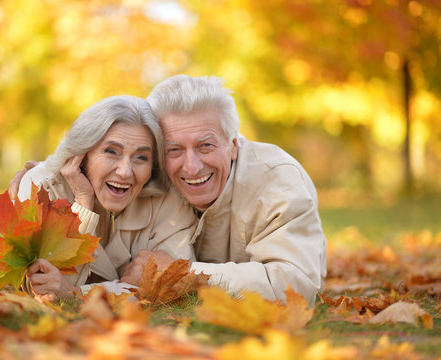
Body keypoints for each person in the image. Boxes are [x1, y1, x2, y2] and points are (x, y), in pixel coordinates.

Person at [121, 75, 327, 306]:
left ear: (233, 146)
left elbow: (295, 286)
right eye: (175, 149)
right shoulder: (144, 177)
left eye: (206, 145)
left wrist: (181, 274)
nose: (191, 167)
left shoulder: (277, 179)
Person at [16, 95, 197, 302]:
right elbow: (41, 290)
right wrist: (83, 203)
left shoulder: (167, 199)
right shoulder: (42, 187)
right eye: (112, 152)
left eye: (141, 157)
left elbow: (171, 283)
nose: (125, 172)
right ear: (82, 154)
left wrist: (76, 295)